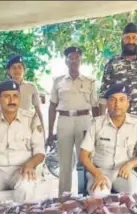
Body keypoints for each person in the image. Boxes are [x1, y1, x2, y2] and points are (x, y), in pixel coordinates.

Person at [79, 84, 137, 197]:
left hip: (124, 172)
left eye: (122, 100)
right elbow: (83, 155)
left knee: (135, 194)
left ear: (128, 103)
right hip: (99, 171)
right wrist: (97, 174)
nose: (117, 105)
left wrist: (131, 164)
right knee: (99, 194)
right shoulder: (96, 123)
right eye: (113, 100)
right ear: (107, 103)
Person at [47, 46, 99, 196]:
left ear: (81, 61)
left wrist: (96, 130)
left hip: (84, 120)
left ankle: (88, 195)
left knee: (86, 160)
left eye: (77, 58)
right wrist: (50, 132)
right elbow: (52, 106)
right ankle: (64, 197)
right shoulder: (58, 81)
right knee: (65, 163)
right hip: (64, 121)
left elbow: (95, 107)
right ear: (66, 61)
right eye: (71, 57)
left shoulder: (90, 82)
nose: (74, 60)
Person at [98, 22, 137, 127]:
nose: (131, 41)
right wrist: (101, 123)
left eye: (134, 38)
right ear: (122, 40)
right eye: (127, 38)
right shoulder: (113, 62)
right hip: (117, 120)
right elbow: (103, 95)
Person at [0, 55, 45, 129]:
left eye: (19, 67)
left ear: (24, 70)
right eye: (14, 68)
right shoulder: (2, 88)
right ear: (9, 71)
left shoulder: (31, 87)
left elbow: (38, 110)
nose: (17, 70)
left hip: (26, 126)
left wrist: (42, 130)